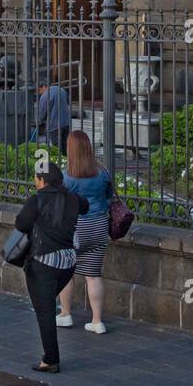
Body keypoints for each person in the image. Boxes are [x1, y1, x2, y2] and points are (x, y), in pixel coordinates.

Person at [15, 160, 88, 373]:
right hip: (67, 263)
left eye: (36, 178)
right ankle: (50, 356)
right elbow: (86, 206)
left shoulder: (36, 200)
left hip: (43, 262)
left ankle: (50, 359)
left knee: (44, 310)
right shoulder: (73, 199)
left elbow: (21, 224)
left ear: (42, 180)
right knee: (45, 303)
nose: (34, 181)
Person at [58, 130, 114, 335]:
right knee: (93, 275)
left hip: (76, 228)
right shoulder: (103, 173)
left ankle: (65, 314)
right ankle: (97, 321)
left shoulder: (67, 177)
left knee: (67, 272)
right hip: (99, 226)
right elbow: (109, 197)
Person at [36, 69, 72, 153]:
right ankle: (66, 163)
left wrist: (39, 121)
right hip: (66, 123)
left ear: (44, 86)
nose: (39, 93)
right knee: (66, 146)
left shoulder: (45, 95)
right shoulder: (62, 90)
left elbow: (42, 112)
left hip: (54, 126)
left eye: (39, 90)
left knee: (57, 149)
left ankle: (59, 164)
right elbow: (68, 102)